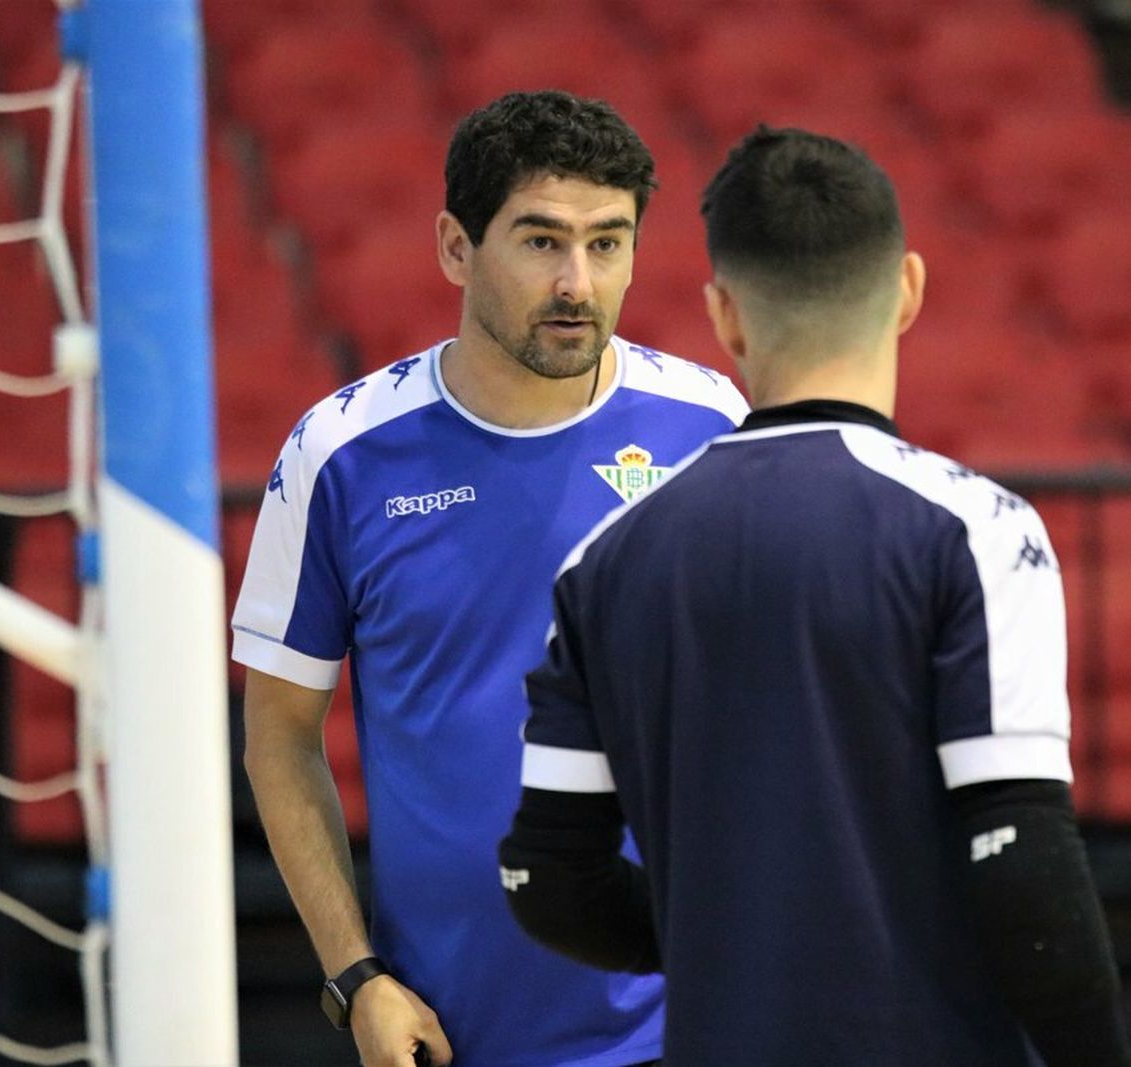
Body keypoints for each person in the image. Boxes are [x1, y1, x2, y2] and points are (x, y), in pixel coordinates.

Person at [498, 127, 1131, 1066]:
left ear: (726, 317)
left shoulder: (604, 559)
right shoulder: (975, 530)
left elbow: (548, 877)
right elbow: (1024, 866)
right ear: (908, 289)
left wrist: (733, 947)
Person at [231, 90, 747, 1067]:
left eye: (608, 243)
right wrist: (355, 975)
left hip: (688, 1019)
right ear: (455, 247)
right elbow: (279, 739)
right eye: (541, 241)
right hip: (447, 1031)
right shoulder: (340, 453)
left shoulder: (710, 424)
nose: (577, 282)